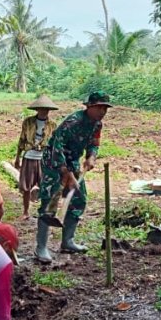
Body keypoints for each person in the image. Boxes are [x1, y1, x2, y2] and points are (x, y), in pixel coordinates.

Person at [35, 91, 112, 264]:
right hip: (53, 163)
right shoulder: (72, 122)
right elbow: (56, 147)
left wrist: (91, 157)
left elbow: (94, 144)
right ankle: (41, 247)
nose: (102, 112)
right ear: (89, 107)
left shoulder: (97, 124)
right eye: (99, 107)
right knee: (49, 204)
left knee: (79, 199)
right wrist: (65, 173)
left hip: (73, 162)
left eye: (105, 108)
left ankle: (67, 241)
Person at [14, 95, 59, 219]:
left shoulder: (53, 125)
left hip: (44, 158)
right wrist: (17, 157)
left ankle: (44, 211)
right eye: (41, 109)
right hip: (29, 156)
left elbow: (55, 144)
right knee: (26, 186)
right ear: (37, 109)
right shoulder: (28, 122)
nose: (44, 111)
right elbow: (21, 140)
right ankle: (25, 211)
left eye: (46, 109)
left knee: (45, 186)